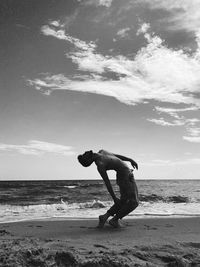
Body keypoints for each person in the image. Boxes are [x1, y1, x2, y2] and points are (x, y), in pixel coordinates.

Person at [77, 149, 139, 228]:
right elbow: (107, 183)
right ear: (89, 160)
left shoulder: (102, 151)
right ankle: (114, 220)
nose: (85, 153)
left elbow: (116, 156)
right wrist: (114, 198)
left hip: (126, 176)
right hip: (125, 178)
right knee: (134, 202)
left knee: (123, 201)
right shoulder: (100, 164)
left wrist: (130, 160)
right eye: (84, 156)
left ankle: (104, 217)